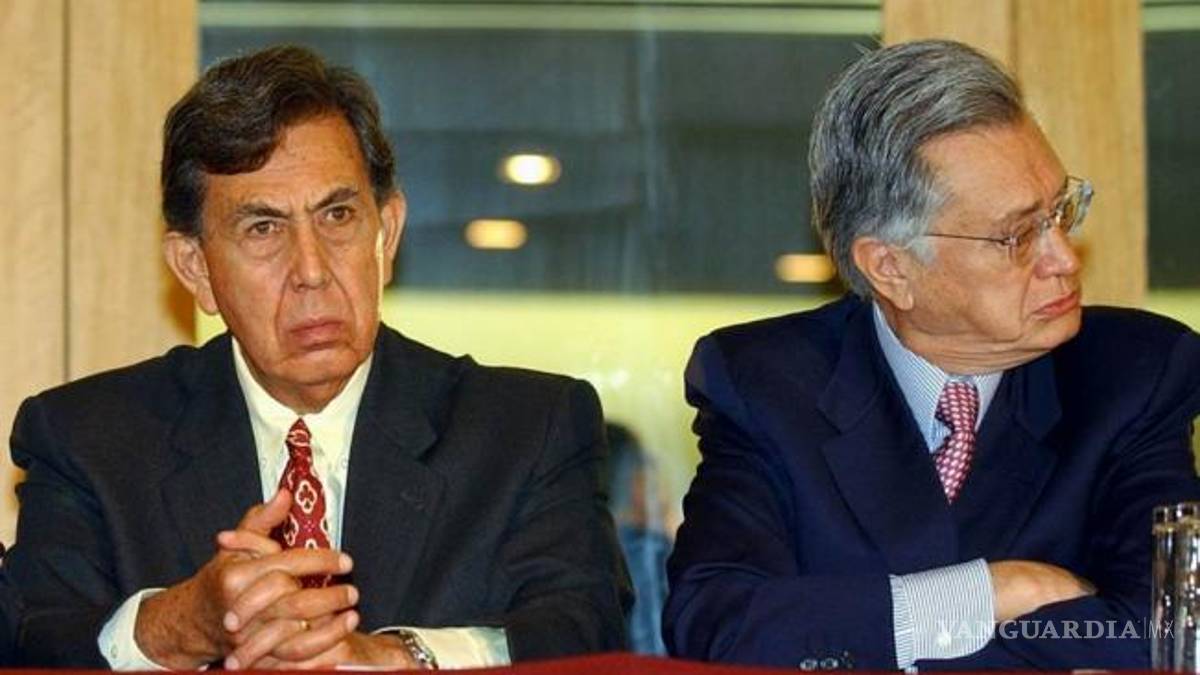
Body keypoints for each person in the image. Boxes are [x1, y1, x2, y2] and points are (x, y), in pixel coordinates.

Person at [5, 45, 630, 669]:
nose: (311, 270)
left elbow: (584, 628)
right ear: (195, 268)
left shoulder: (526, 430)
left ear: (387, 233)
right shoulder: (89, 440)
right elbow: (33, 638)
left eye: (337, 215)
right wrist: (183, 625)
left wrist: (396, 657)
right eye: (263, 228)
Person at [664, 39, 1200, 670]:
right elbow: (716, 623)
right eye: (1018, 236)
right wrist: (995, 593)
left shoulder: (1135, 374)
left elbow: (1164, 629)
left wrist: (875, 635)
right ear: (891, 268)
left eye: (1060, 211)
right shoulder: (764, 383)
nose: (1062, 257)